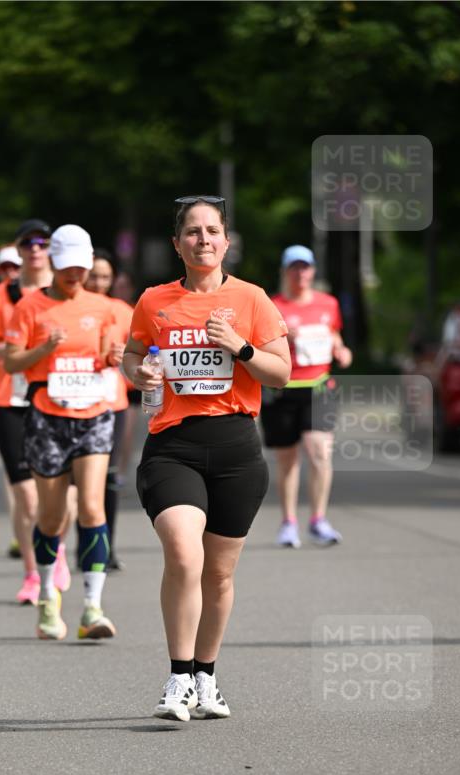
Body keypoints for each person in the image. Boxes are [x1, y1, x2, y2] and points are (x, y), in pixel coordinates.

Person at [122, 195, 291, 722]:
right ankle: (177, 678)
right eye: (192, 232)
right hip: (173, 446)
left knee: (218, 574)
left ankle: (206, 677)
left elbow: (281, 372)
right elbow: (133, 356)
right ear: (177, 244)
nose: (203, 239)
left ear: (226, 241)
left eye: (212, 231)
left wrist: (239, 346)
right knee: (183, 552)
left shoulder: (253, 299)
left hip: (237, 449)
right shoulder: (154, 301)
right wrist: (139, 374)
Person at [4, 224, 122, 641]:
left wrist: (114, 357)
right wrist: (44, 350)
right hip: (46, 417)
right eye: (69, 267)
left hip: (93, 415)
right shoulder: (30, 308)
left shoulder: (104, 306)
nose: (76, 275)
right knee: (51, 517)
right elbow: (11, 364)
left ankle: (93, 606)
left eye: (82, 268)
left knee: (92, 506)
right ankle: (48, 600)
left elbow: (111, 354)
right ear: (53, 262)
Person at [0, 219, 71, 604]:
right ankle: (33, 573)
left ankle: (57, 549)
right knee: (26, 496)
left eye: (42, 242)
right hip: (9, 400)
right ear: (18, 251)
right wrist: (20, 347)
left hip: (58, 398)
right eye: (28, 243)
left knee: (59, 493)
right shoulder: (3, 295)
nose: (35, 248)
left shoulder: (66, 288)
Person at [260, 245, 352, 548]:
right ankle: (288, 522)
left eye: (306, 267)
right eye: (294, 267)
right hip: (283, 389)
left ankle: (318, 519)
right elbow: (259, 345)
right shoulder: (273, 306)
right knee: (288, 461)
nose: (301, 273)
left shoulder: (328, 303)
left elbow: (335, 334)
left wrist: (341, 350)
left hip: (318, 387)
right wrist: (286, 338)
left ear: (313, 271)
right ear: (285, 272)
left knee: (319, 451)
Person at [84, 248, 134, 570]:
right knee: (79, 482)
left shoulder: (124, 311)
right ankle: (76, 547)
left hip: (112, 402)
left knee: (109, 477)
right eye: (94, 276)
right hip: (72, 403)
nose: (99, 282)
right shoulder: (68, 308)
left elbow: (140, 353)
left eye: (105, 277)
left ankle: (106, 548)